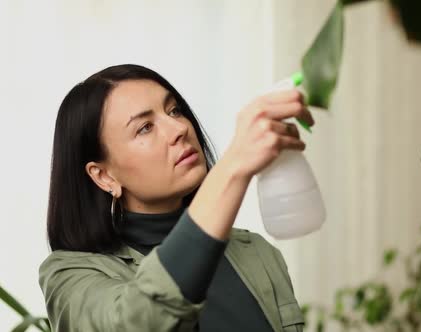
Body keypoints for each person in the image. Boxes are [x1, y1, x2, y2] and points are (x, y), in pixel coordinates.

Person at [38, 64, 314, 332]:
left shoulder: (256, 252)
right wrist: (234, 166)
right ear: (104, 176)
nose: (178, 129)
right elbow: (138, 322)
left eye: (174, 110)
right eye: (145, 127)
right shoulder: (70, 275)